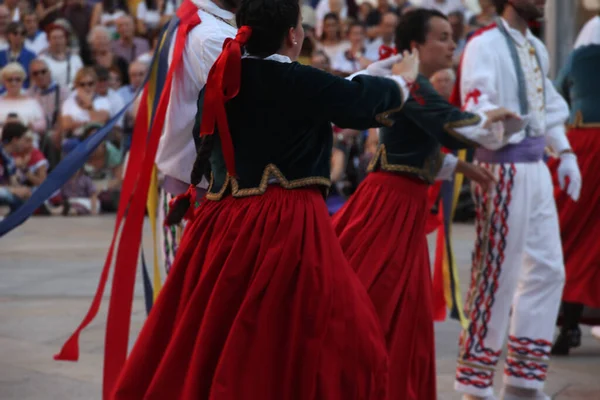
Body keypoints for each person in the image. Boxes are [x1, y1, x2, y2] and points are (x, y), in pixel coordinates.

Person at [110, 0, 424, 396]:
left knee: (216, 332)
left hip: (224, 224)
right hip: (286, 223)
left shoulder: (223, 78)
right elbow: (354, 103)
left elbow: (207, 137)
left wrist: (371, 74)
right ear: (294, 34)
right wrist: (401, 82)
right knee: (337, 331)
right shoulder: (298, 81)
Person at [332, 9, 519, 400]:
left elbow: (416, 145)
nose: (452, 45)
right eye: (443, 37)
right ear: (416, 45)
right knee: (374, 305)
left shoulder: (412, 82)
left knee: (400, 312)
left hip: (400, 202)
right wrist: (492, 118)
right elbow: (449, 125)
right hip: (389, 206)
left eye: (453, 37)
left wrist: (462, 162)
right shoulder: (411, 82)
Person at [452, 1, 581, 399]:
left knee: (547, 271)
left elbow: (551, 108)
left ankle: (524, 381)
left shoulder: (536, 47)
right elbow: (476, 107)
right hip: (502, 168)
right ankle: (474, 384)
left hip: (536, 168)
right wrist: (499, 120)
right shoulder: (483, 44)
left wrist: (565, 151)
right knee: (496, 275)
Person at [549, 14, 600, 356]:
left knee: (567, 235)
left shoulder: (579, 58)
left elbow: (555, 97)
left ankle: (567, 327)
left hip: (582, 149)